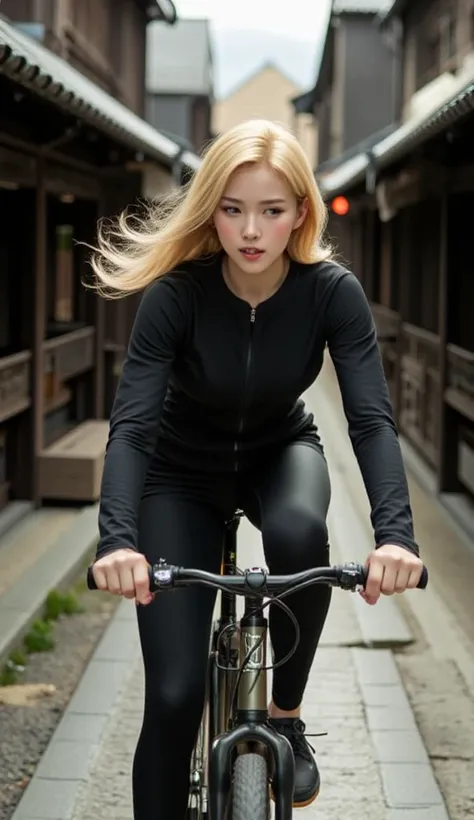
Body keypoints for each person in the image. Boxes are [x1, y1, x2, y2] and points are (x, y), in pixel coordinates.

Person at [90, 119, 423, 819]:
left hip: (280, 451)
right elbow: (134, 425)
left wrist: (396, 537)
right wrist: (117, 541)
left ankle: (287, 715)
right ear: (211, 208)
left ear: (300, 213)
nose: (250, 229)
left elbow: (368, 419)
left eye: (271, 210)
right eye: (233, 208)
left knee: (304, 533)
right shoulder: (176, 296)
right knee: (175, 696)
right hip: (180, 474)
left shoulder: (332, 293)